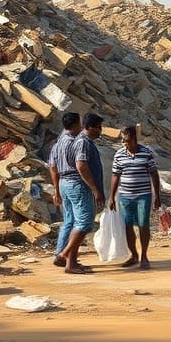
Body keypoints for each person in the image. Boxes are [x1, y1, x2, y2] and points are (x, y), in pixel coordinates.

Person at [59, 113, 105, 274]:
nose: (100, 131)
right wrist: (94, 189)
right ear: (89, 127)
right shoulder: (83, 142)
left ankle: (71, 262)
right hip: (78, 186)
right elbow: (81, 166)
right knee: (84, 223)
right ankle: (65, 254)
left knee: (77, 222)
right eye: (98, 128)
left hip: (69, 184)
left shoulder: (79, 141)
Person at [108, 126, 161, 269]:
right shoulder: (119, 155)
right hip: (124, 196)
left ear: (135, 139)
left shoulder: (146, 153)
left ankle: (144, 255)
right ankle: (134, 255)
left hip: (143, 195)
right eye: (123, 141)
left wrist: (157, 195)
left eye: (128, 141)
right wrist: (111, 197)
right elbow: (115, 175)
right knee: (128, 226)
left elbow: (154, 174)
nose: (126, 144)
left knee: (143, 225)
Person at [48, 112, 82, 267]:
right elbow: (81, 165)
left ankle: (60, 253)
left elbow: (53, 168)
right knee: (80, 222)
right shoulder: (73, 143)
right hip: (74, 183)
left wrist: (56, 189)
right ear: (75, 124)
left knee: (68, 220)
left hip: (62, 184)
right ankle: (66, 255)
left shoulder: (57, 145)